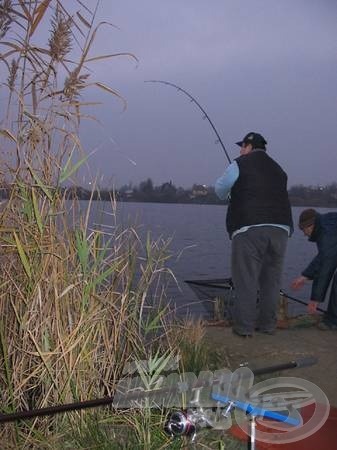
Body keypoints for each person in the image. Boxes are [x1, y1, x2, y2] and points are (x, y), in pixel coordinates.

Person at [215, 132, 293, 337]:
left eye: (242, 146)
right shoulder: (279, 170)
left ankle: (244, 328)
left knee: (246, 279)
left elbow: (220, 190)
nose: (240, 150)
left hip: (249, 228)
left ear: (250, 146)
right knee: (271, 281)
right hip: (281, 230)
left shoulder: (238, 164)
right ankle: (268, 326)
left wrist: (233, 192)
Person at [291, 208, 337, 330]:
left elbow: (326, 267)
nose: (304, 234)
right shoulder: (326, 223)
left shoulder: (326, 233)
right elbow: (323, 256)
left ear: (311, 226)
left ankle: (333, 321)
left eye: (304, 230)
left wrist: (315, 300)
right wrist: (305, 276)